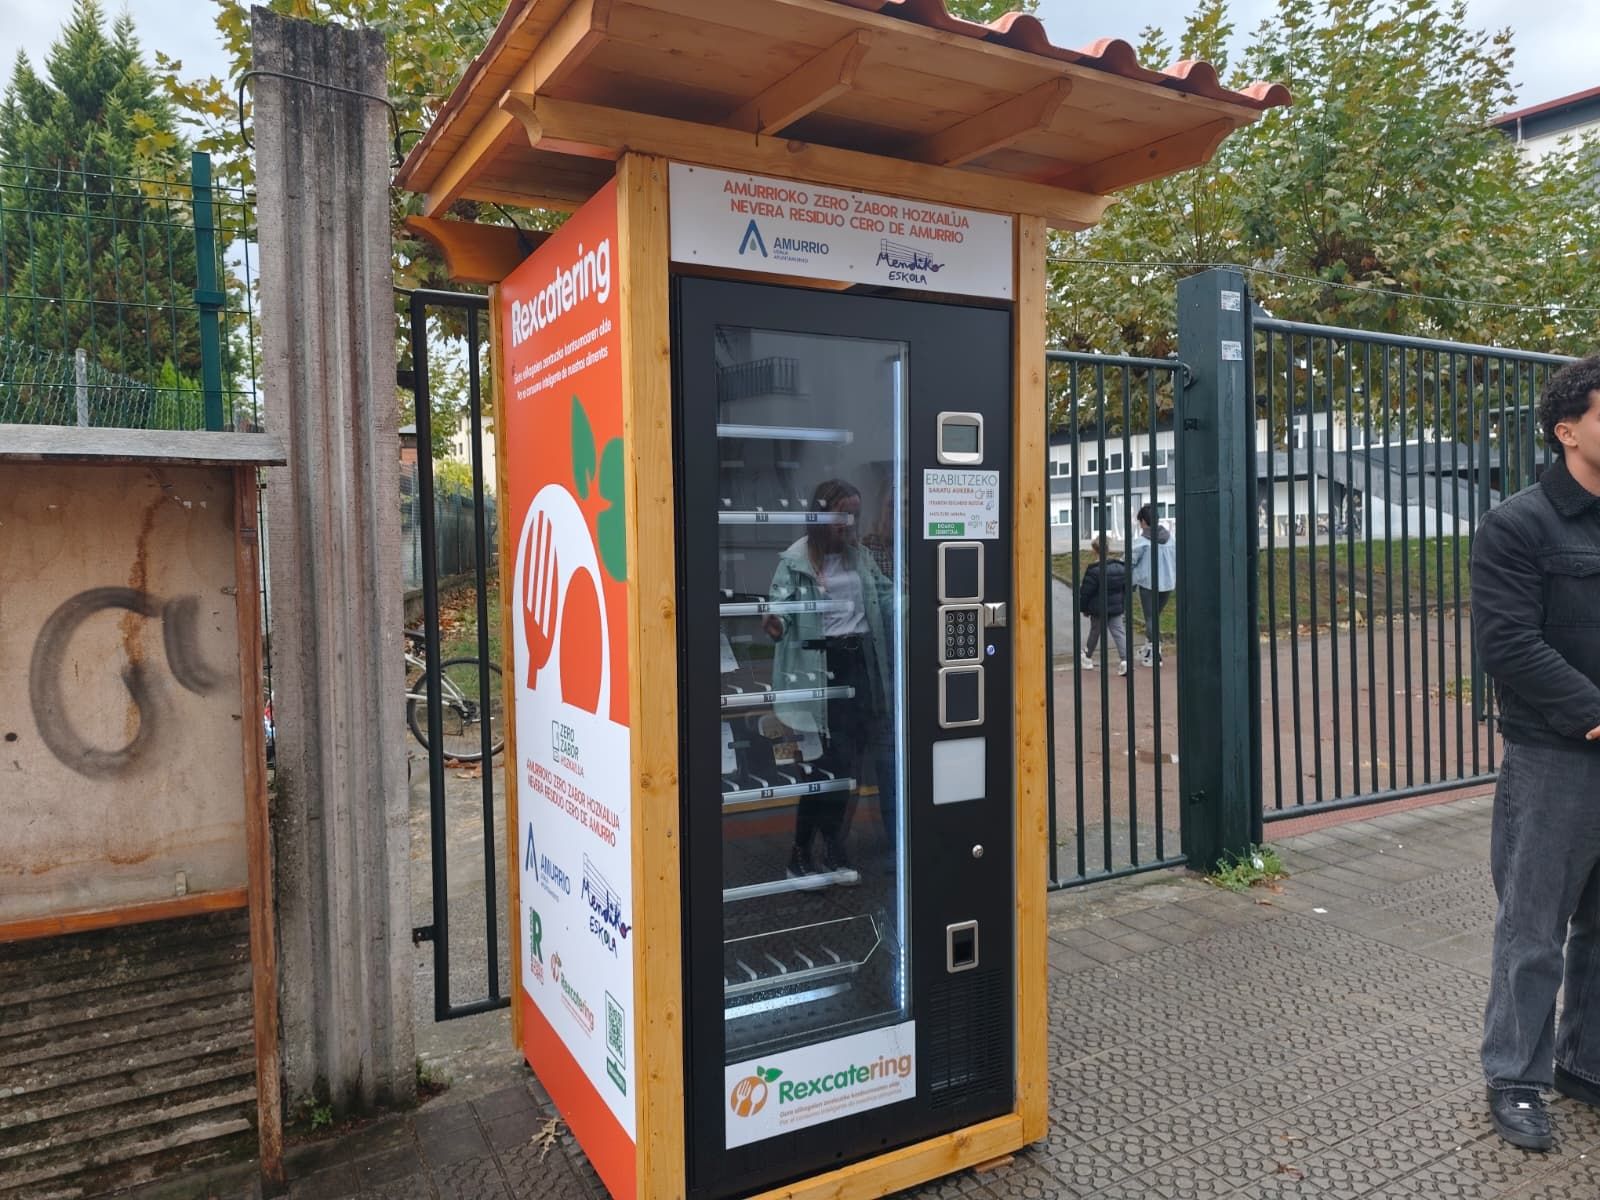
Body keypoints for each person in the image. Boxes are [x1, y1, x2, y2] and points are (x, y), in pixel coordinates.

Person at [1472, 353, 1600, 1151]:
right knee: (1533, 929)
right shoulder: (1518, 524)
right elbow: (1508, 643)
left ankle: (1583, 1061)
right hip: (1555, 757)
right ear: (1567, 430)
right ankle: (1515, 1076)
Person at [763, 479, 897, 882]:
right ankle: (801, 853)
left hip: (860, 666)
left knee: (847, 769)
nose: (849, 523)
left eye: (854, 514)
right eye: (841, 514)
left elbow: (887, 598)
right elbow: (779, 606)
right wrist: (774, 622)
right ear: (820, 516)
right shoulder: (795, 560)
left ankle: (835, 851)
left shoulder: (859, 558)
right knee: (821, 770)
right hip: (817, 667)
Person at [1129, 504, 1176, 666]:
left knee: (1150, 618)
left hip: (1148, 584)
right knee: (1155, 617)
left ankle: (1154, 653)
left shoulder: (1142, 542)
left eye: (1140, 522)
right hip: (1167, 584)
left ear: (1143, 521)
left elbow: (1129, 561)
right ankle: (1149, 648)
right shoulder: (1170, 539)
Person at [1077, 536, 1128, 676]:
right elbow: (1125, 588)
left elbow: (1086, 593)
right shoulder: (1119, 567)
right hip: (1116, 607)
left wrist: (1084, 608)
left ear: (1095, 551)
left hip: (1098, 608)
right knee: (1119, 633)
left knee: (1095, 632)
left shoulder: (1093, 571)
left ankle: (1087, 657)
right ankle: (1125, 660)